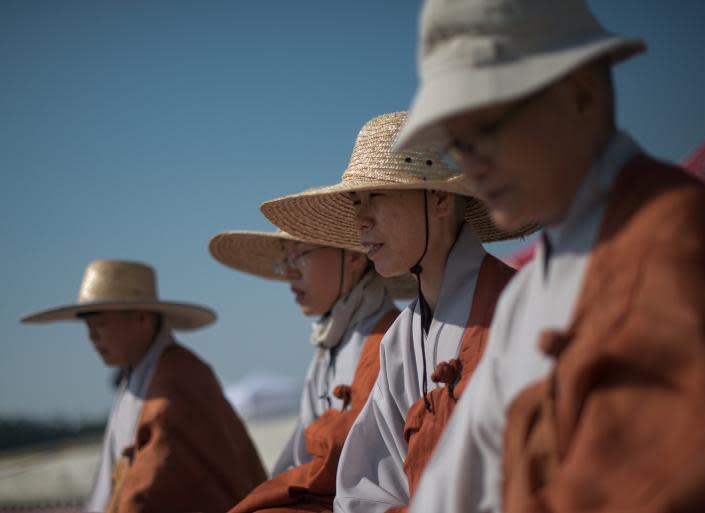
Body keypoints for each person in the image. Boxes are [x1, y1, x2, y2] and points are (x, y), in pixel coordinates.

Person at [394, 1, 705, 512]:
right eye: (458, 145)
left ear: (581, 94)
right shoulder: (531, 289)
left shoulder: (679, 242)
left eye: (487, 127)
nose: (471, 166)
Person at [261, 111, 535, 512]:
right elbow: (365, 488)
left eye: (377, 196)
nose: (360, 220)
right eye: (356, 202)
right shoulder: (401, 339)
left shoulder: (517, 309)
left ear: (439, 199)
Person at [21, 259, 266, 513]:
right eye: (88, 327)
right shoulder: (143, 375)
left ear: (141, 318)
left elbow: (149, 489)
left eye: (101, 324)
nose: (93, 338)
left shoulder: (174, 384)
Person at [208, 227, 405, 512]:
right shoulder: (328, 348)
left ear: (352, 257)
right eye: (283, 262)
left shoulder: (387, 339)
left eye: (299, 257)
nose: (288, 273)